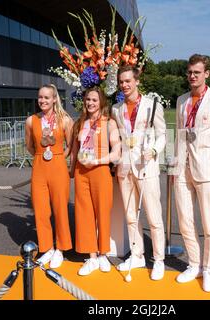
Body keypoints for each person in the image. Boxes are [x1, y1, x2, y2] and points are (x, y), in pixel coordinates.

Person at [171, 54, 210, 292]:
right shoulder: (181, 100)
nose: (192, 76)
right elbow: (179, 134)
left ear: (206, 74)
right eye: (189, 72)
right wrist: (174, 165)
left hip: (208, 170)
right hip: (182, 169)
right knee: (185, 222)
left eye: (197, 72)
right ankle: (194, 264)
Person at [111, 65, 167, 281]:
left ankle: (159, 259)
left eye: (128, 81)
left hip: (146, 167)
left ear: (137, 81)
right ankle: (137, 255)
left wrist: (153, 150)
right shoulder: (116, 109)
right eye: (121, 82)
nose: (124, 85)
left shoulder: (153, 105)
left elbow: (163, 135)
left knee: (154, 216)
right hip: (125, 168)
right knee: (131, 216)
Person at [70, 87, 121, 276]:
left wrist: (99, 161)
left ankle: (103, 255)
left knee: (102, 213)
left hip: (100, 170)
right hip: (82, 172)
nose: (90, 103)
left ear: (101, 102)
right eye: (88, 100)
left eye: (94, 100)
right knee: (84, 215)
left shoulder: (109, 123)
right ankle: (91, 257)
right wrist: (70, 169)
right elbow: (74, 151)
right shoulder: (79, 124)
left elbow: (117, 151)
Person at [25, 84, 73, 268]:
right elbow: (29, 145)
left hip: (58, 167)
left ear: (54, 99)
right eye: (40, 97)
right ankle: (46, 248)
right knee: (41, 211)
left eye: (46, 97)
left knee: (60, 209)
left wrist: (59, 157)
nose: (43, 101)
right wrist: (41, 155)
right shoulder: (31, 120)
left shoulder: (65, 120)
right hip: (39, 168)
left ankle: (60, 248)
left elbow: (70, 145)